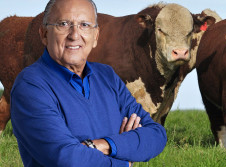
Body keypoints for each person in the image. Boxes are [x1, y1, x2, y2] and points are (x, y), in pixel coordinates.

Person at [10, 0, 167, 166]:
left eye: (84, 25)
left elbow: (156, 135)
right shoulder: (30, 86)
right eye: (63, 24)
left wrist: (102, 145)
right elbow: (67, 158)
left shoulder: (107, 77)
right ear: (44, 34)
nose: (74, 35)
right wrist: (124, 161)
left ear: (96, 36)